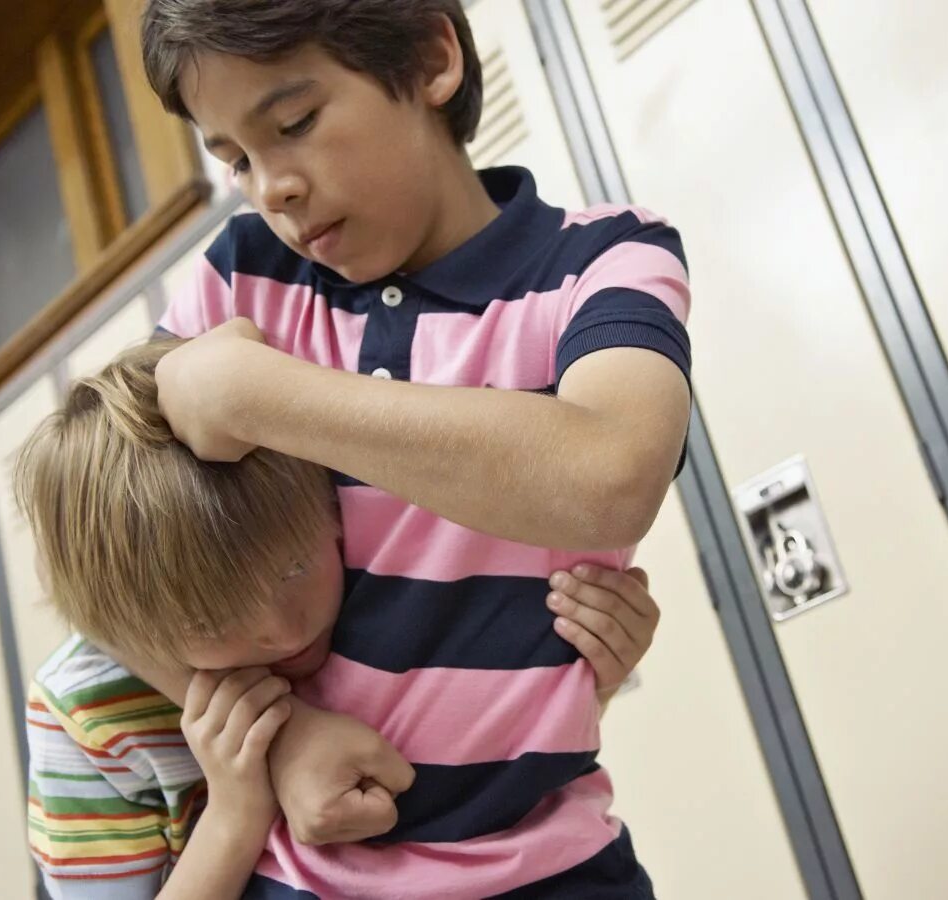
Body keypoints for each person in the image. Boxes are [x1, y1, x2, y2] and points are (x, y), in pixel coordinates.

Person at [142, 0, 691, 893]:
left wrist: (260, 398)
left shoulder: (606, 258)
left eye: (295, 124)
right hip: (304, 876)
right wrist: (282, 741)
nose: (271, 186)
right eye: (236, 160)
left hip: (553, 867)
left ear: (435, 58)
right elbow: (96, 563)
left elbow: (609, 475)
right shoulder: (241, 279)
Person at [21, 341, 664, 899]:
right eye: (212, 620)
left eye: (296, 570)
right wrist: (237, 813)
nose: (281, 629)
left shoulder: (366, 553)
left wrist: (598, 673)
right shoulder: (85, 710)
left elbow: (469, 754)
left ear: (329, 508)